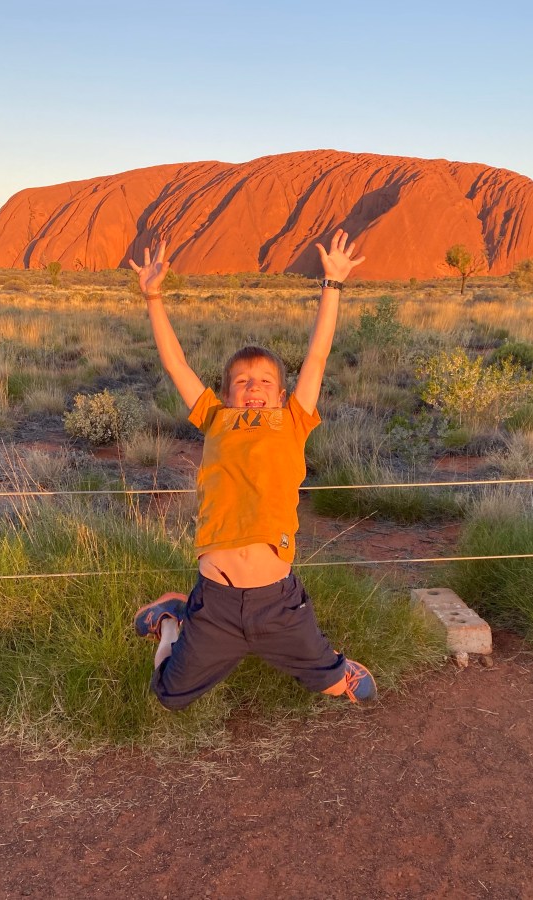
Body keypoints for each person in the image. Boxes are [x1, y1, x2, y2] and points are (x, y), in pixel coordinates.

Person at [128, 230, 376, 709]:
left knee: (344, 691)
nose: (253, 387)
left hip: (276, 602)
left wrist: (333, 285)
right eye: (242, 381)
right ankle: (174, 620)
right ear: (226, 395)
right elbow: (176, 365)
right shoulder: (215, 418)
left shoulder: (293, 421)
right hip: (216, 601)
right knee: (169, 695)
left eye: (264, 381)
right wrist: (153, 296)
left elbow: (318, 356)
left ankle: (333, 668)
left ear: (281, 395)